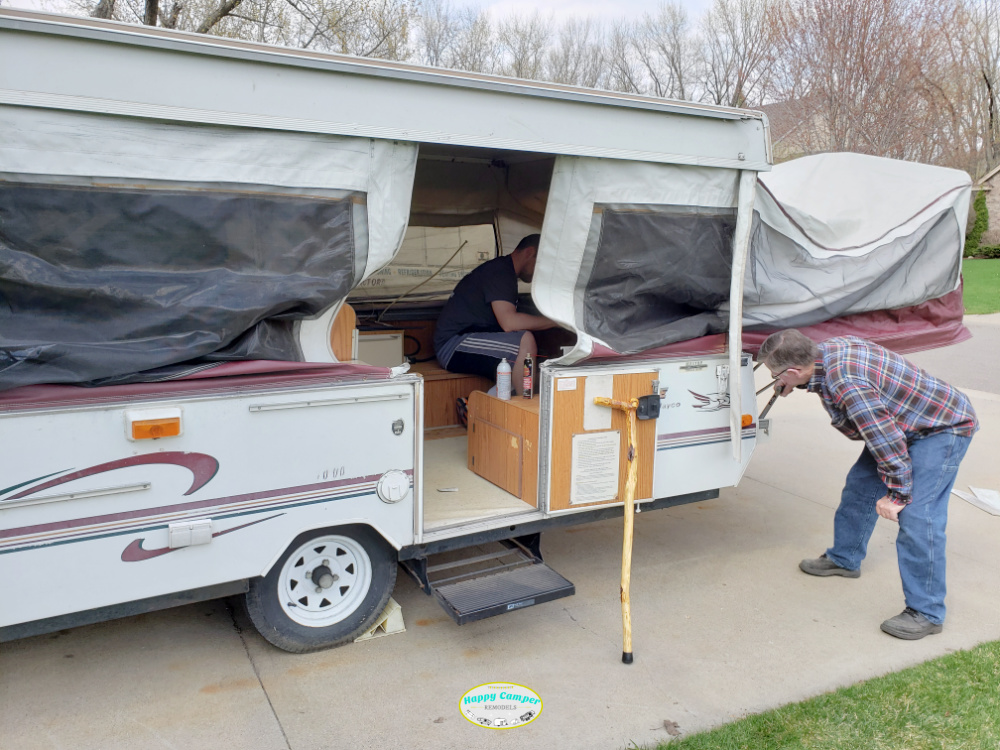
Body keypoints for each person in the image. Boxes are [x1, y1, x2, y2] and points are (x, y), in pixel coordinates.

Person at [757, 330, 978, 640]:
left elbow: (885, 441)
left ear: (793, 370)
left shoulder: (848, 385)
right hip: (905, 420)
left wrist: (899, 494)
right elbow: (882, 431)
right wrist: (795, 383)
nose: (775, 379)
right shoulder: (825, 351)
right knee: (860, 488)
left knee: (917, 515)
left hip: (941, 427)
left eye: (776, 374)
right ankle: (844, 559)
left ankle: (927, 612)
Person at [434, 234, 557, 395]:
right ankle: (527, 409)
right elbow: (510, 323)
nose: (541, 272)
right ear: (529, 252)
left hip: (469, 340)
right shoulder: (500, 273)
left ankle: (477, 405)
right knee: (524, 341)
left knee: (533, 360)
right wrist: (556, 321)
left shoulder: (504, 272)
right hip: (453, 345)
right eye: (542, 264)